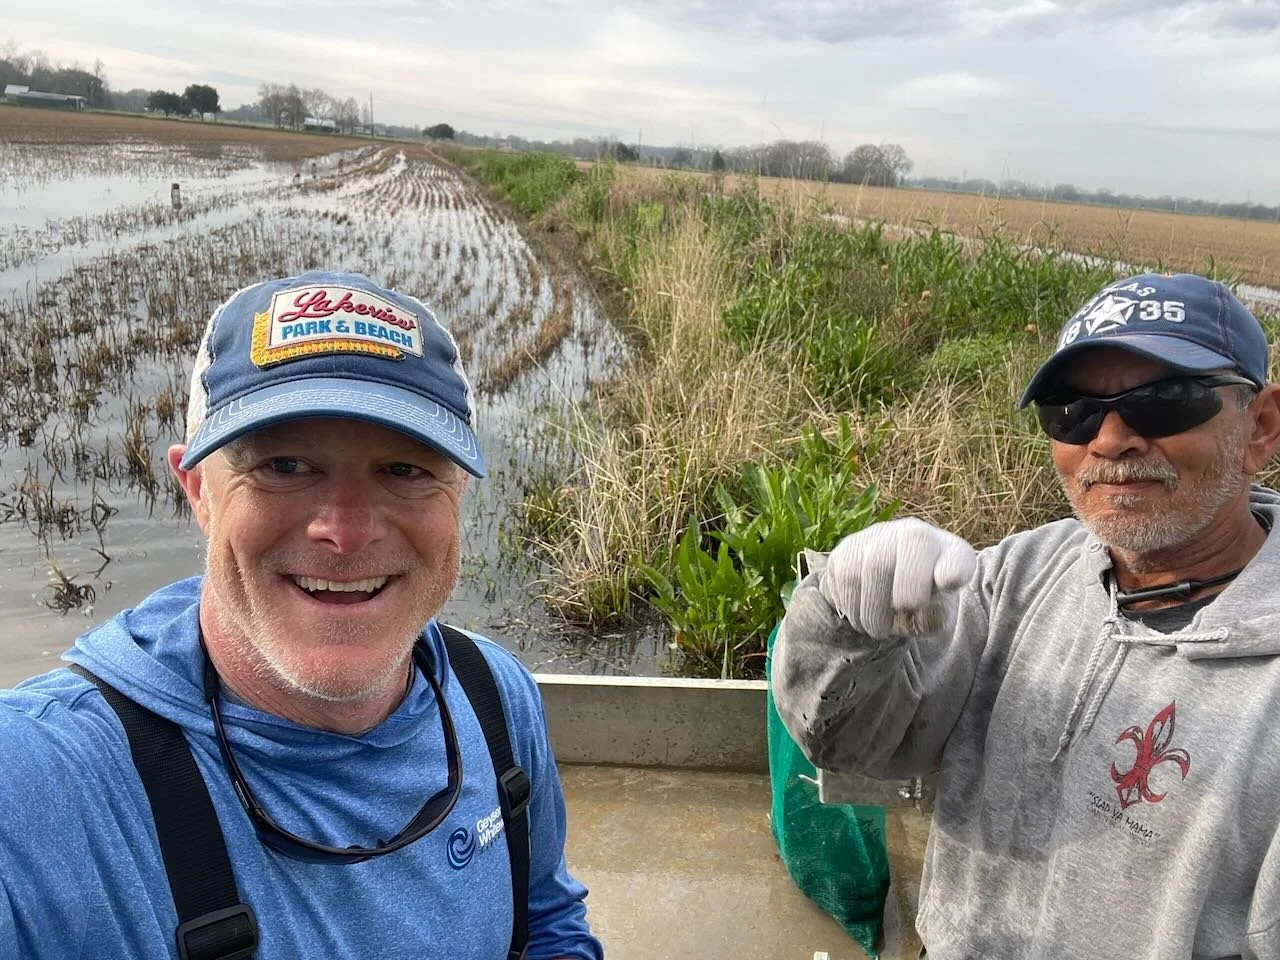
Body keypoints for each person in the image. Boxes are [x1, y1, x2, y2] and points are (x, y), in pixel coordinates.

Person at [0, 271, 604, 960]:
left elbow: (546, 919)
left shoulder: (493, 697)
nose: (346, 533)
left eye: (404, 470)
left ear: (458, 492)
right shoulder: (42, 787)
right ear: (197, 490)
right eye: (285, 466)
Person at [772, 272, 1280, 959]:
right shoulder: (1020, 570)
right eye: (1073, 411)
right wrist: (843, 623)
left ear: (1261, 425)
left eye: (1164, 402)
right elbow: (852, 746)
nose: (1110, 440)